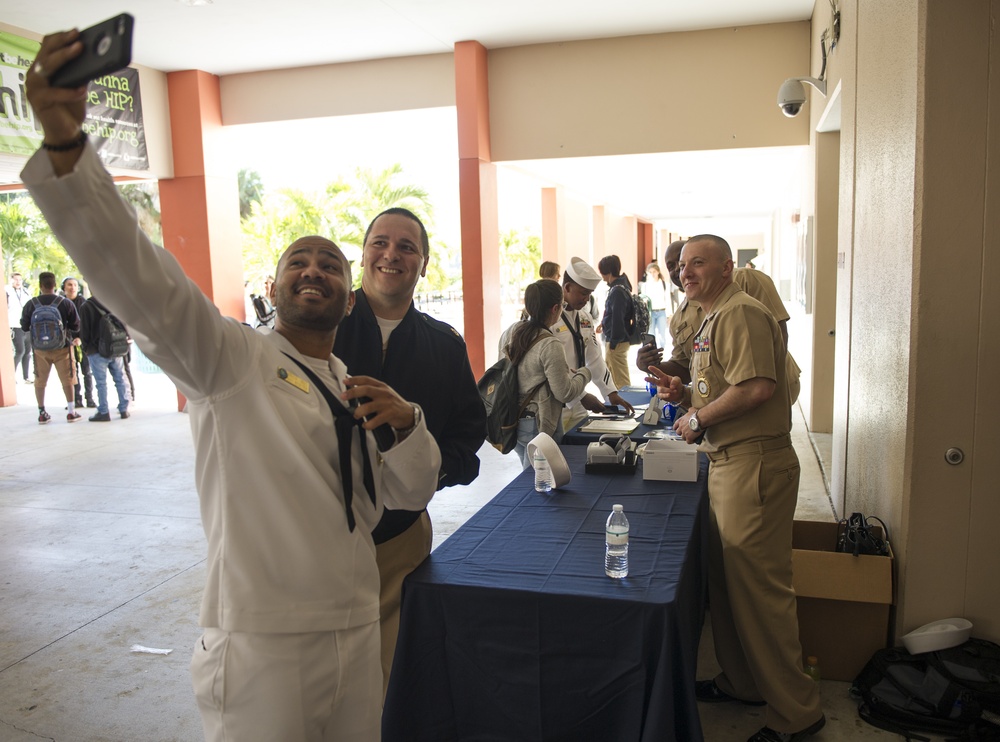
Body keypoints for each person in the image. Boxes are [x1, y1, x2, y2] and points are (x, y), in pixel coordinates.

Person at [24, 32, 441, 742]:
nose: (314, 269)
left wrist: (408, 425)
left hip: (355, 626)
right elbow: (138, 277)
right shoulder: (230, 359)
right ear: (273, 289)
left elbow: (403, 494)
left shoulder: (351, 387)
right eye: (297, 262)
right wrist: (68, 144)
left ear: (350, 300)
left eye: (331, 266)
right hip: (265, 644)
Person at [646, 234, 824, 742]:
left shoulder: (741, 310)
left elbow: (758, 387)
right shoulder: (709, 317)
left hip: (754, 465)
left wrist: (698, 416)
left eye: (697, 264)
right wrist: (685, 392)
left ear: (727, 267)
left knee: (761, 594)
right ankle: (744, 682)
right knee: (728, 586)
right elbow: (724, 383)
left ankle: (796, 713)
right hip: (726, 462)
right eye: (682, 266)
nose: (686, 273)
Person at [333, 206, 486, 697]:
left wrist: (428, 472)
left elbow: (468, 433)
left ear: (424, 262)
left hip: (399, 540)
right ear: (362, 254)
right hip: (315, 533)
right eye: (380, 242)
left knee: (388, 677)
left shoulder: (443, 345)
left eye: (406, 246)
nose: (391, 255)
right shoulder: (320, 329)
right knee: (316, 677)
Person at [639, 239, 801, 407]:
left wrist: (766, 387)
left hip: (765, 399)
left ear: (725, 267)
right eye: (677, 266)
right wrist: (651, 366)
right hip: (724, 408)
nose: (682, 271)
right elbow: (686, 366)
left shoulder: (744, 281)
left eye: (696, 262)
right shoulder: (680, 318)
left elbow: (779, 333)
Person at [499, 279, 591, 468]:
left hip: (512, 419)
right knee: (538, 482)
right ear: (555, 308)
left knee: (527, 480)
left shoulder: (512, 332)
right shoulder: (550, 344)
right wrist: (584, 374)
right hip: (539, 423)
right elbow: (564, 393)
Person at [549, 257, 635, 432]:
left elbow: (594, 358)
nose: (587, 299)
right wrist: (581, 395)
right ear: (567, 288)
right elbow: (550, 368)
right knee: (550, 455)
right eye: (582, 293)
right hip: (554, 404)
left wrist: (610, 392)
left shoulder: (584, 317)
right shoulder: (550, 318)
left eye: (589, 294)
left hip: (578, 400)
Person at [20, 271, 81, 424]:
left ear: (40, 286)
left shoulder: (31, 304)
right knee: (68, 379)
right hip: (63, 348)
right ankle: (71, 412)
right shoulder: (65, 303)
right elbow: (76, 325)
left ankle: (42, 413)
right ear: (54, 285)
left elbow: (24, 326)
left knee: (40, 381)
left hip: (40, 350)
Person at [78, 295, 130, 421]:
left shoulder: (86, 306)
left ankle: (103, 411)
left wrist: (86, 348)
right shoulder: (113, 302)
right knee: (120, 379)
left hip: (96, 350)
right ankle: (124, 409)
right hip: (115, 348)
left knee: (101, 383)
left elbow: (84, 330)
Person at [597, 254, 632, 390]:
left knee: (620, 379)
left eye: (603, 273)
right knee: (614, 375)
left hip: (617, 341)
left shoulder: (617, 291)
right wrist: (603, 323)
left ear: (609, 272)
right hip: (618, 339)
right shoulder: (622, 287)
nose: (602, 277)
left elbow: (618, 318)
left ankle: (627, 405)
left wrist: (614, 342)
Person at [61, 276, 96, 408]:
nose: (72, 288)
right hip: (68, 343)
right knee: (71, 373)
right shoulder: (62, 303)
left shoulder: (83, 302)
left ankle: (90, 399)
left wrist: (81, 338)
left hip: (84, 343)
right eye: (69, 285)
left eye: (75, 285)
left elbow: (87, 323)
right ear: (64, 288)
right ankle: (77, 399)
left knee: (86, 372)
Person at [7, 272, 34, 383]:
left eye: (19, 279)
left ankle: (26, 377)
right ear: (11, 280)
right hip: (14, 325)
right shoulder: (7, 292)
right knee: (20, 351)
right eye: (15, 279)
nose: (18, 282)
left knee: (27, 352)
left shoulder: (26, 292)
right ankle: (11, 376)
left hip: (26, 325)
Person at [638, 261, 669, 348]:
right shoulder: (645, 285)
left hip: (661, 311)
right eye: (650, 272)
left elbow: (667, 299)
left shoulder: (663, 284)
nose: (652, 274)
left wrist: (670, 314)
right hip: (650, 312)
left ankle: (662, 351)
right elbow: (643, 300)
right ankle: (652, 352)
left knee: (662, 335)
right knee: (651, 334)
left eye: (654, 272)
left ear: (658, 272)